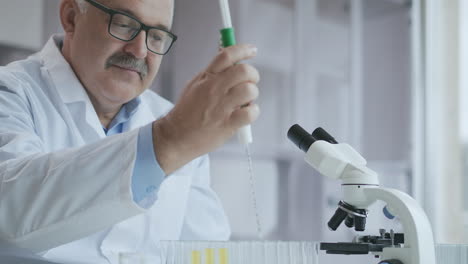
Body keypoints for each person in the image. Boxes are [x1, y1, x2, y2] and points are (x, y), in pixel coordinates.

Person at [0, 0, 260, 262]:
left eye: (157, 37)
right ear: (71, 17)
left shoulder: (173, 120)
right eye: (124, 25)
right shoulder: (10, 92)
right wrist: (168, 142)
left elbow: (205, 251)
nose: (139, 50)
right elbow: (10, 209)